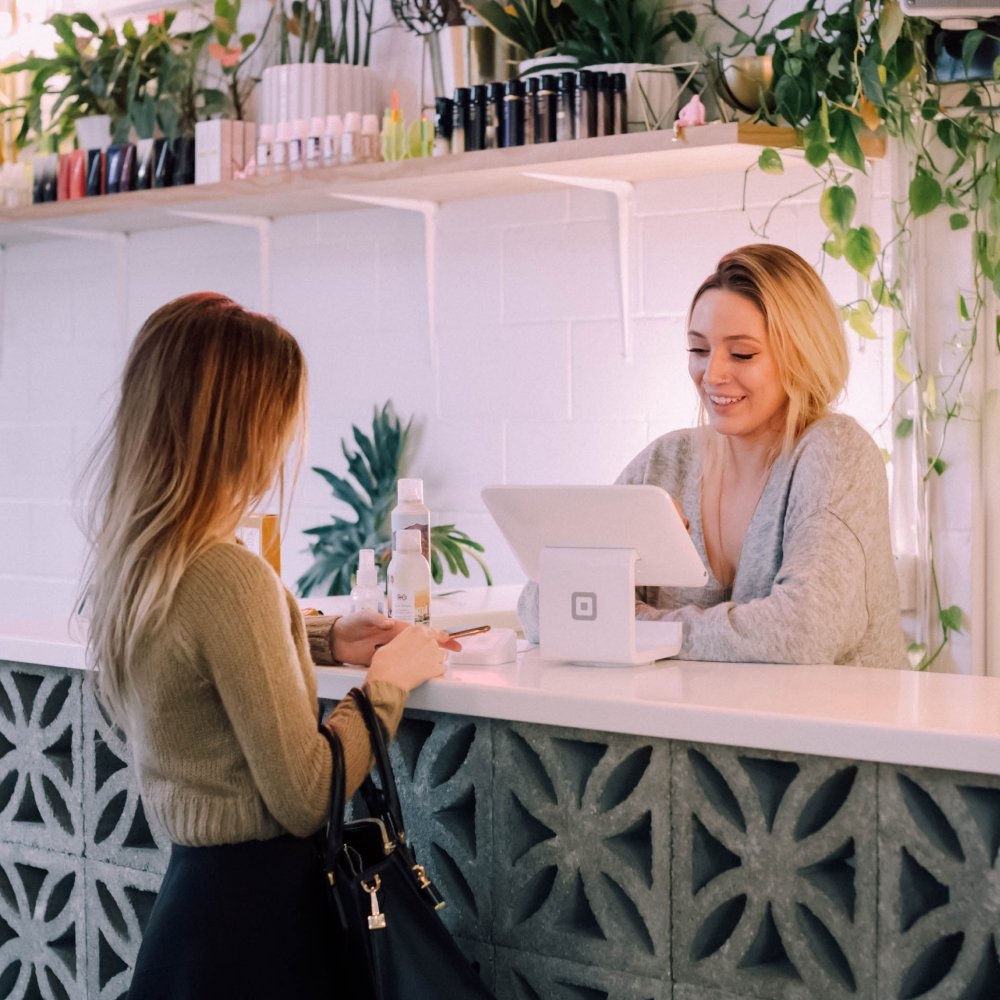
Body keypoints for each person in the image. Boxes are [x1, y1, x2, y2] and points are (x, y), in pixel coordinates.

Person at [77, 292, 461, 998]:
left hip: (191, 917)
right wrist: (389, 681)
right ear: (245, 428)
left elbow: (201, 649)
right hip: (259, 932)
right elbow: (307, 794)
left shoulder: (144, 563)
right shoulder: (228, 575)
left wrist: (319, 637)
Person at [519, 244, 909, 670]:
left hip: (830, 732)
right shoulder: (667, 463)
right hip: (697, 731)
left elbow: (804, 630)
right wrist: (619, 560)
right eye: (699, 350)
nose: (713, 374)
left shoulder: (835, 452)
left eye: (742, 353)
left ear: (803, 354)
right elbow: (541, 610)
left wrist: (640, 629)